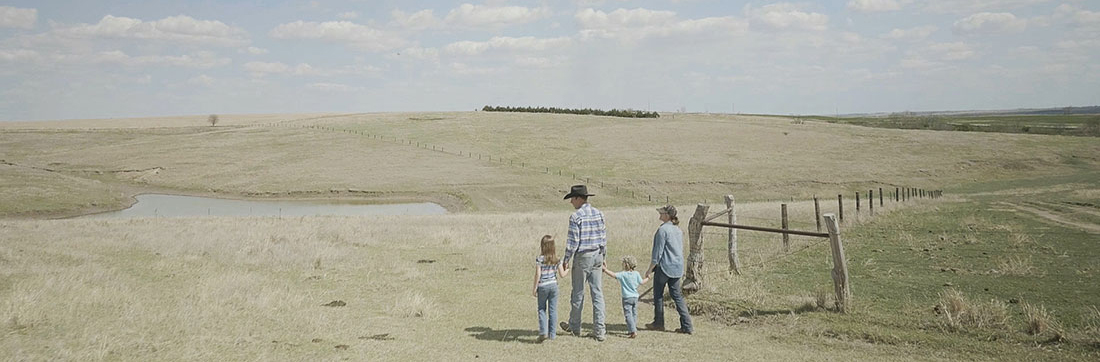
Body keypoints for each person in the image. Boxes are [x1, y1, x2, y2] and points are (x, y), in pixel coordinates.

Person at [558, 184, 609, 341]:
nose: (571, 202)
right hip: (597, 255)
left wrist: (566, 259)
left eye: (572, 198)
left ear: (579, 198)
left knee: (578, 292)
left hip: (583, 256)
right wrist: (604, 257)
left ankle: (574, 326)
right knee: (597, 293)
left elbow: (573, 242)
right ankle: (600, 330)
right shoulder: (598, 214)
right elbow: (603, 237)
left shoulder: (576, 217)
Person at [644, 205, 693, 334]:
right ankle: (687, 325)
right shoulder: (677, 230)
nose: (660, 214)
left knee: (658, 295)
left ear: (667, 215)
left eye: (662, 212)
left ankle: (658, 323)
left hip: (664, 267)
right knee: (677, 296)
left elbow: (657, 254)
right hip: (677, 267)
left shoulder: (662, 230)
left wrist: (649, 269)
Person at [602, 255, 649, 338]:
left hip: (627, 298)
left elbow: (613, 275)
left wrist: (605, 270)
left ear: (626, 265)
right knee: (634, 314)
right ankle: (632, 328)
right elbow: (642, 282)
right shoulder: (636, 274)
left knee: (628, 315)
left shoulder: (623, 274)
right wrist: (648, 278)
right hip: (635, 297)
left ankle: (633, 331)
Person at [532, 235, 569, 342]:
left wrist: (534, 288)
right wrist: (568, 269)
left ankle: (543, 332)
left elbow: (538, 274)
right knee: (553, 310)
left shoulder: (540, 259)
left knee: (542, 309)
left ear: (542, 246)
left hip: (543, 286)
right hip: (554, 286)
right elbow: (562, 274)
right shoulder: (557, 259)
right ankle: (552, 334)